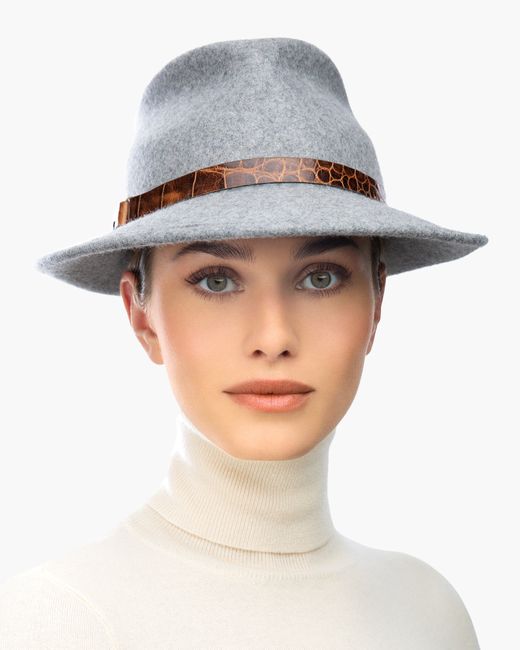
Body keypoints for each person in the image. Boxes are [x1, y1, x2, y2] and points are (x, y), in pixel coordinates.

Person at [0, 37, 487, 648]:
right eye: (216, 280)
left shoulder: (429, 613)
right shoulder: (54, 622)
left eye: (321, 277)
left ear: (377, 303)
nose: (274, 337)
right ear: (140, 315)